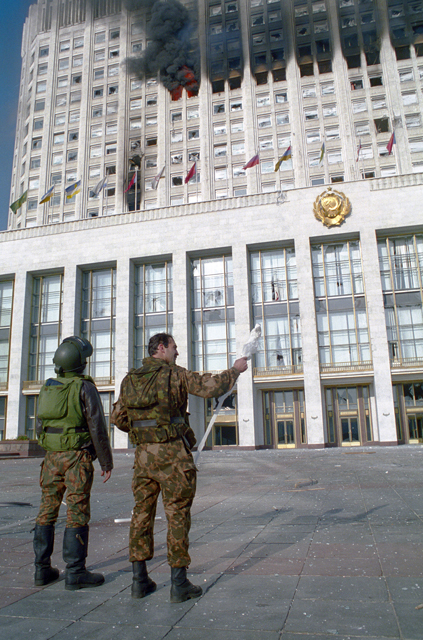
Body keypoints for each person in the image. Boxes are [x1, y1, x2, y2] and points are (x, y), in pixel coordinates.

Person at [116, 332, 248, 603]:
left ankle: (139, 581)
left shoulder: (130, 379)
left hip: (143, 457)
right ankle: (179, 584)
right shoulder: (175, 375)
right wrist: (235, 370)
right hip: (173, 456)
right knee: (177, 514)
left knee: (141, 513)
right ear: (162, 348)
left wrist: (145, 433)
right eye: (175, 347)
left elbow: (118, 418)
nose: (177, 353)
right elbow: (209, 387)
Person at [33, 336, 113, 591]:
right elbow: (97, 426)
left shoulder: (47, 387)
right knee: (77, 510)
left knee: (47, 510)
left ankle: (41, 570)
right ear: (80, 364)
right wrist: (105, 461)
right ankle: (75, 572)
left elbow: (39, 425)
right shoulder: (84, 387)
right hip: (76, 457)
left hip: (51, 459)